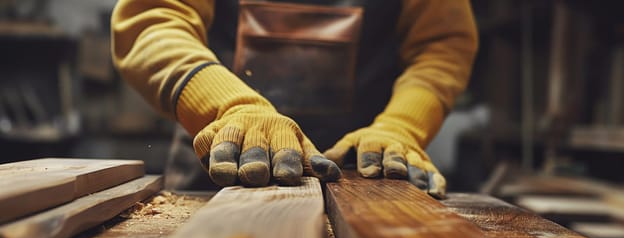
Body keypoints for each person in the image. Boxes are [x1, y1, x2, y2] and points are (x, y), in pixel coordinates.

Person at [111, 0, 478, 198]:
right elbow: (152, 19)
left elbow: (440, 45)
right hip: (218, 170)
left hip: (363, 177)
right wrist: (230, 106)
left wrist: (402, 126)